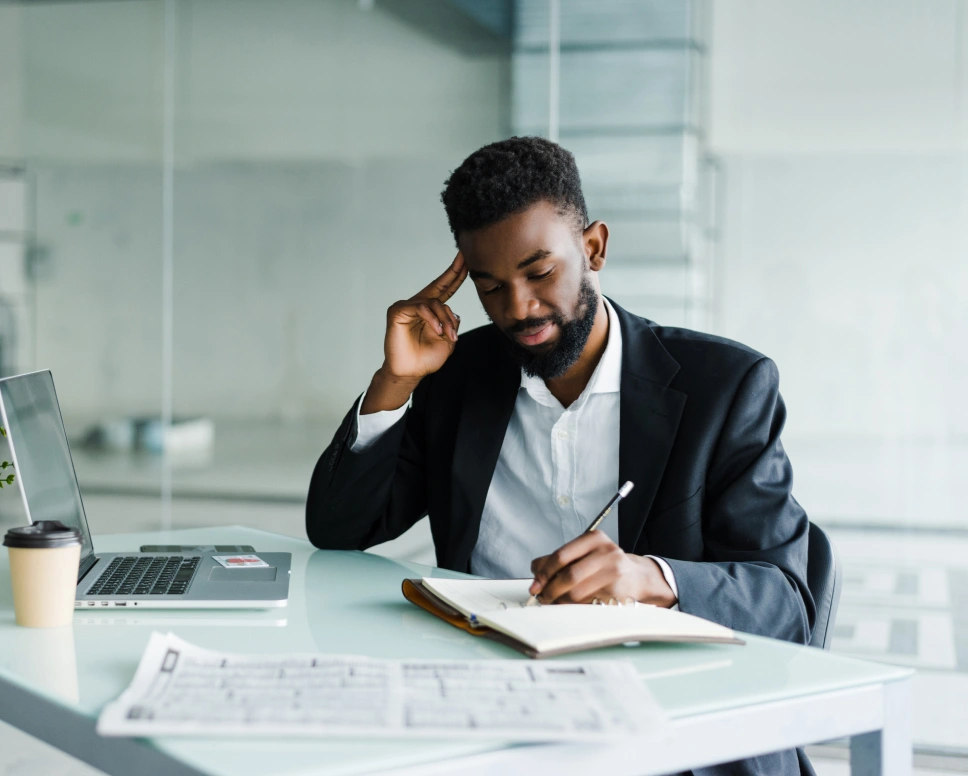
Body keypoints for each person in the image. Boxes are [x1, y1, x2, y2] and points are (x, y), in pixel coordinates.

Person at [307, 136, 816, 775]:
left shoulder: (725, 386)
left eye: (539, 273)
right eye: (490, 288)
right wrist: (396, 382)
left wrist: (651, 580)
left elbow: (787, 603)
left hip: (673, 731)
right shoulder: (458, 377)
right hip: (494, 725)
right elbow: (338, 528)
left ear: (594, 247)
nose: (518, 309)